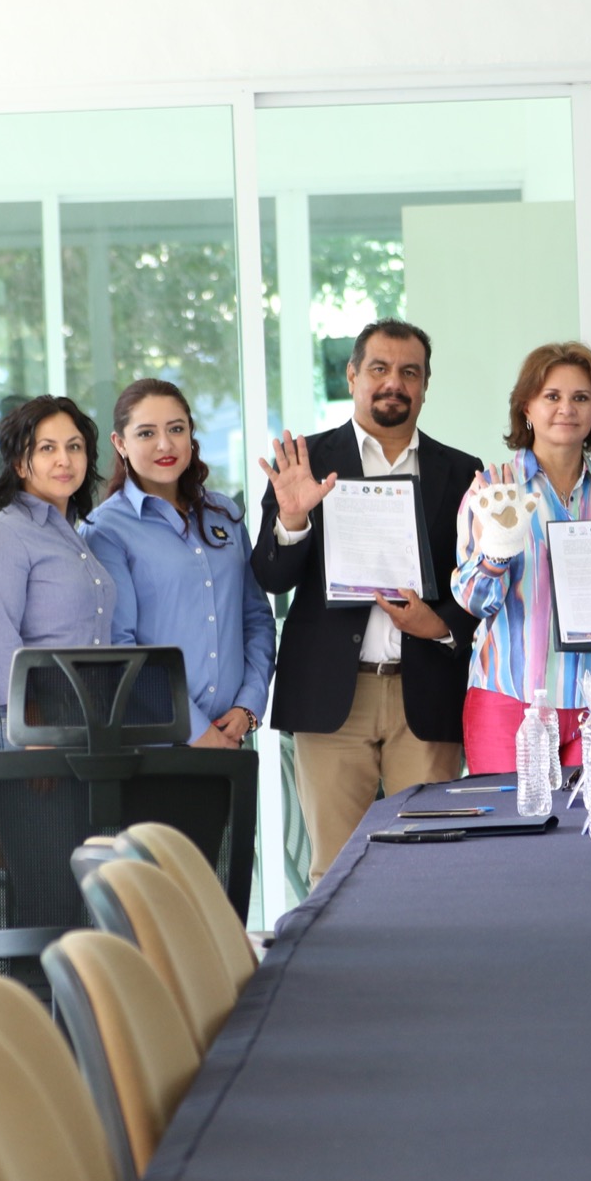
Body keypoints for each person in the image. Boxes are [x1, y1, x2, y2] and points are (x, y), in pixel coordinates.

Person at [252, 319, 480, 885]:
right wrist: (294, 517)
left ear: (426, 385)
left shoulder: (463, 474)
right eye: (379, 368)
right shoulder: (304, 463)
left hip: (425, 694)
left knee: (428, 864)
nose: (393, 383)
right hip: (333, 696)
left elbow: (480, 588)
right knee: (333, 869)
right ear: (353, 375)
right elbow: (270, 575)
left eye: (409, 372)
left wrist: (440, 626)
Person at [453, 343, 591, 770]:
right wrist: (497, 552)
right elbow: (474, 601)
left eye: (581, 397)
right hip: (510, 700)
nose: (567, 409)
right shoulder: (493, 488)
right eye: (552, 397)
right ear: (527, 407)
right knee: (514, 833)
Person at [86, 379, 275, 749]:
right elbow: (120, 649)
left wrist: (247, 706)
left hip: (232, 737)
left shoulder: (225, 515)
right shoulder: (105, 530)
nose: (165, 444)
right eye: (146, 433)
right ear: (119, 443)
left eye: (176, 429)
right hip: (153, 743)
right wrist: (196, 731)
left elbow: (255, 618)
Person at [0, 395, 116, 733]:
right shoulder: (4, 535)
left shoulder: (73, 535)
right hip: (31, 728)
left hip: (86, 721)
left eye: (74, 447)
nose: (64, 460)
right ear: (19, 464)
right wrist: (32, 731)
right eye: (47, 448)